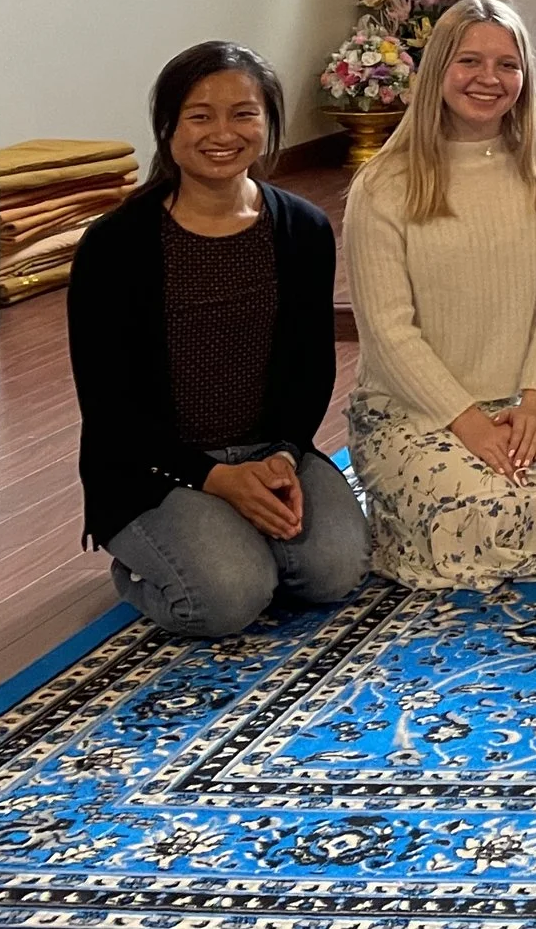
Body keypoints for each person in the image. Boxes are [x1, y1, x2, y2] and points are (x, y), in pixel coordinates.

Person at [66, 42, 366, 637]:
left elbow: (311, 369)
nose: (222, 133)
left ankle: (236, 532)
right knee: (229, 598)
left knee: (337, 572)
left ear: (268, 123)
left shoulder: (302, 228)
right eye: (200, 116)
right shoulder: (117, 244)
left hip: (270, 449)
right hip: (155, 467)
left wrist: (282, 455)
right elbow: (108, 405)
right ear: (167, 127)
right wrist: (214, 479)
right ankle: (140, 562)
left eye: (244, 114)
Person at [343, 0, 536, 589]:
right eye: (469, 61)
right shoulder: (384, 184)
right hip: (414, 409)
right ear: (437, 71)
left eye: (507, 65)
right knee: (475, 506)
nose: (489, 79)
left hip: (519, 405)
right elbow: (389, 332)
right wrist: (467, 422)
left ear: (525, 78)